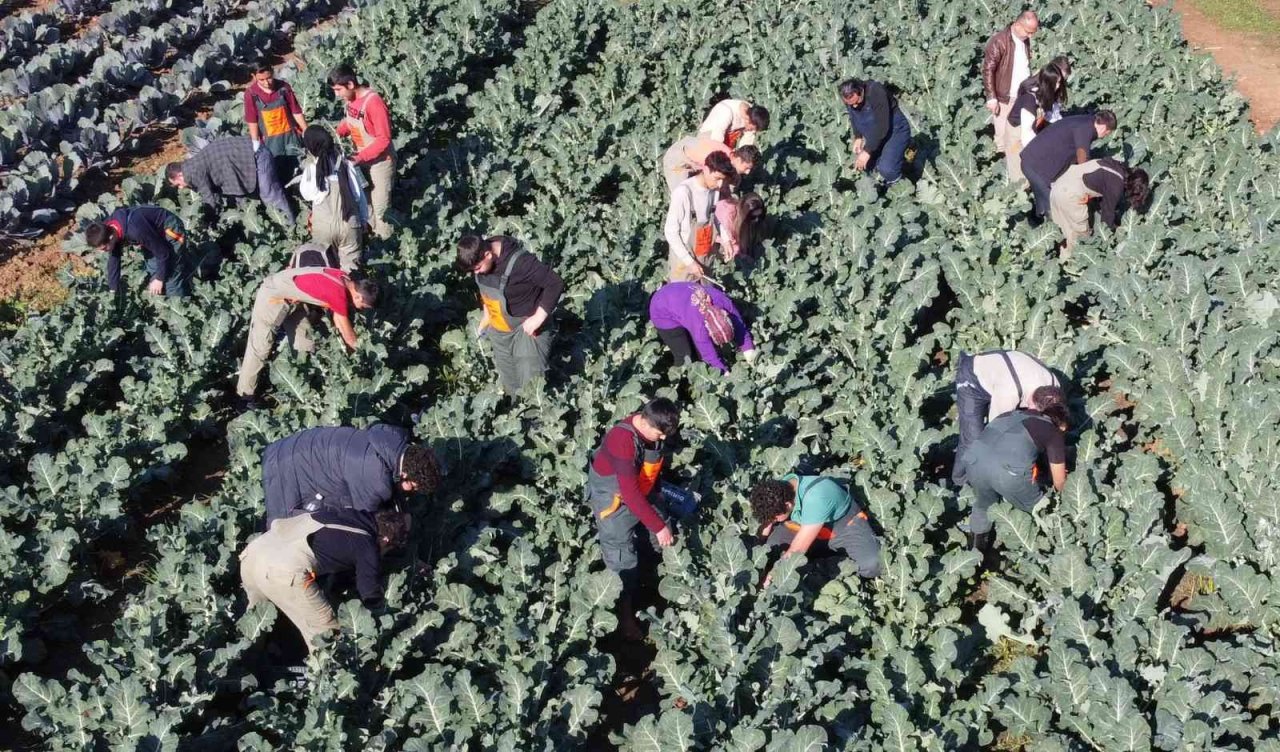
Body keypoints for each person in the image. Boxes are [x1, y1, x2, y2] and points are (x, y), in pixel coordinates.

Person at [239, 507, 410, 651]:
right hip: (283, 571)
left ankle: (246, 668)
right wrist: (385, 617)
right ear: (386, 539)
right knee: (327, 635)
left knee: (255, 626)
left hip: (253, 555)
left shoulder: (346, 514)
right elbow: (369, 593)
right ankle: (326, 682)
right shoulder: (367, 546)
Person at [585, 398, 680, 639]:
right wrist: (658, 526)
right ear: (646, 422)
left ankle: (660, 589)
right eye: (659, 434)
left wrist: (659, 513)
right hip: (614, 500)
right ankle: (625, 618)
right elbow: (629, 492)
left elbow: (650, 471)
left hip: (642, 489)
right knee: (622, 559)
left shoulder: (650, 431)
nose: (662, 439)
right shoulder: (622, 440)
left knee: (664, 537)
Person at [235, 259, 380, 402]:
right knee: (260, 347)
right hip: (273, 296)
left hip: (294, 301)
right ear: (359, 297)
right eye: (362, 307)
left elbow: (337, 320)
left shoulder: (344, 278)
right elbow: (346, 332)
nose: (359, 309)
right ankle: (245, 396)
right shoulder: (337, 292)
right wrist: (361, 358)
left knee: (305, 342)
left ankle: (298, 383)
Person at [959, 386, 1069, 559]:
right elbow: (1060, 481)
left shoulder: (1007, 415)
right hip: (1007, 474)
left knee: (982, 506)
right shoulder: (1050, 431)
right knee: (1040, 509)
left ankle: (974, 559)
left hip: (973, 463)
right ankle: (1059, 554)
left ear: (1031, 402)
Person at [262, 424, 440, 524]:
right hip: (283, 466)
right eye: (413, 487)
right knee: (282, 529)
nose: (409, 491)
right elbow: (363, 518)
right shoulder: (374, 477)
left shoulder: (392, 438)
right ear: (406, 474)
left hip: (301, 447)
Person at [456, 234, 564, 395]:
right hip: (499, 329)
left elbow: (555, 283)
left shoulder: (521, 263)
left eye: (477, 268)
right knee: (510, 383)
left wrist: (538, 318)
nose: (475, 273)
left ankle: (537, 419)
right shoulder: (481, 256)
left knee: (530, 386)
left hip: (527, 329)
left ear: (488, 254)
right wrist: (487, 315)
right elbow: (486, 290)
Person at [952, 350, 1060, 485]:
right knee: (973, 438)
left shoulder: (1054, 388)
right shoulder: (1009, 395)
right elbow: (994, 432)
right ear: (1030, 401)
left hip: (1005, 374)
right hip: (972, 379)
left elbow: (1056, 423)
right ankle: (961, 481)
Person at [751, 473, 882, 582]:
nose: (773, 521)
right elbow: (767, 522)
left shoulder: (817, 497)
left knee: (872, 564)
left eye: (775, 517)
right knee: (771, 548)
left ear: (788, 505)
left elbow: (796, 550)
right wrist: (759, 544)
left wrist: (772, 578)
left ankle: (826, 563)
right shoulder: (780, 489)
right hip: (805, 525)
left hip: (842, 527)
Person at [166, 135, 295, 224]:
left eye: (178, 184)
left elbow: (209, 200)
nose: (181, 187)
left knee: (269, 194)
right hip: (245, 157)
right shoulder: (191, 165)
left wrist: (208, 221)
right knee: (246, 200)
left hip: (257, 155)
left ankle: (290, 227)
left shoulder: (192, 172)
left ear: (179, 175)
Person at [330, 65, 395, 239]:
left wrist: (358, 158)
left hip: (380, 162)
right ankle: (373, 236)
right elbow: (351, 118)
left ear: (350, 84)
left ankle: (387, 244)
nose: (337, 95)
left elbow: (384, 139)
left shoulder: (373, 103)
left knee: (381, 209)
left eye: (338, 90)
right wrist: (338, 130)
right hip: (361, 159)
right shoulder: (351, 99)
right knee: (366, 203)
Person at [1020, 110, 1117, 223]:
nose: (1104, 136)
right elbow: (1083, 160)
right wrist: (1088, 188)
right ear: (1105, 128)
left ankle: (1037, 222)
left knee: (1043, 200)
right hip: (1036, 166)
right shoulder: (1086, 129)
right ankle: (1054, 231)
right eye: (1107, 133)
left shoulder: (1086, 120)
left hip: (1032, 160)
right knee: (1052, 204)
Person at [295, 126, 369, 271]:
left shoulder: (312, 169)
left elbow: (307, 194)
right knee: (351, 271)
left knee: (327, 270)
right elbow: (358, 195)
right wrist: (364, 220)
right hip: (350, 223)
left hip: (324, 227)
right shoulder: (346, 164)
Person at [83, 205, 192, 297]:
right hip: (150, 233)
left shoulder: (135, 230)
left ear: (111, 238)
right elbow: (114, 258)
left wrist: (159, 279)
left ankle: (180, 304)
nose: (103, 252)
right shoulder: (108, 227)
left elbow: (163, 253)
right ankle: (163, 297)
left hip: (168, 229)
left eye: (104, 248)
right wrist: (113, 289)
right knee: (154, 268)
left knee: (171, 273)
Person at [649, 281, 756, 373]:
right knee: (685, 356)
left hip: (679, 297)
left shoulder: (725, 303)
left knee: (700, 348)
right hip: (662, 309)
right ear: (707, 330)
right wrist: (724, 373)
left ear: (726, 316)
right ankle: (682, 386)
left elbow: (741, 328)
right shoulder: (700, 328)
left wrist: (749, 351)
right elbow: (709, 356)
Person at [1050, 158, 1151, 254]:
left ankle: (1061, 260)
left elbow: (1097, 182)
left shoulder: (1115, 165)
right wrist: (1114, 231)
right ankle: (1071, 264)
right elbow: (1106, 219)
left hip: (1057, 187)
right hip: (1069, 196)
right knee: (1080, 242)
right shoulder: (1116, 186)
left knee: (1063, 233)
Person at [664, 151, 737, 281]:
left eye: (723, 180)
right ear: (706, 169)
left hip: (705, 256)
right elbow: (670, 232)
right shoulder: (684, 193)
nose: (720, 185)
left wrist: (726, 239)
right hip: (684, 260)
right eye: (717, 179)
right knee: (682, 297)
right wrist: (690, 262)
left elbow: (713, 218)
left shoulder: (714, 190)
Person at [982, 11, 1039, 169]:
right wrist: (991, 97)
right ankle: (1004, 172)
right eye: (1029, 32)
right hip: (1004, 98)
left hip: (1022, 96)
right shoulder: (999, 41)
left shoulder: (1023, 39)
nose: (1031, 36)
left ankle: (1019, 167)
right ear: (1018, 25)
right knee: (1002, 137)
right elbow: (988, 69)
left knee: (1022, 134)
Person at [839, 78, 913, 186]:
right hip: (875, 134)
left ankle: (900, 187)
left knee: (887, 169)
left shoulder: (876, 92)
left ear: (860, 91)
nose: (854, 106)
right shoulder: (849, 98)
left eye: (856, 102)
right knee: (867, 166)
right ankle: (897, 162)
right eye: (850, 104)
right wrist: (858, 136)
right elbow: (853, 116)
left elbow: (882, 127)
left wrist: (867, 151)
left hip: (894, 130)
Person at [243, 59, 307, 181]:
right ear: (253, 76)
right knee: (276, 174)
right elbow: (252, 121)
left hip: (291, 137)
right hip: (270, 143)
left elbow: (296, 111)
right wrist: (255, 144)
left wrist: (306, 130)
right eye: (261, 80)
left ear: (272, 72)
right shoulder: (251, 94)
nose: (267, 82)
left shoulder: (283, 87)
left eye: (269, 77)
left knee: (298, 168)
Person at [660, 135, 760, 191]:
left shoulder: (731, 157)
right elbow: (707, 182)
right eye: (746, 168)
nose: (748, 172)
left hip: (696, 150)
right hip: (679, 158)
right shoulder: (714, 158)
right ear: (738, 160)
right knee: (683, 197)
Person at [697, 98, 770, 148]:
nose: (752, 131)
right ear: (748, 120)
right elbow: (716, 141)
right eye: (751, 129)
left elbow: (747, 142)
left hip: (727, 138)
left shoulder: (752, 116)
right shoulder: (726, 112)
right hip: (708, 136)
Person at [715, 192, 765, 261]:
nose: (756, 219)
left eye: (759, 216)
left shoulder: (753, 222)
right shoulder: (728, 214)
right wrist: (743, 257)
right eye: (753, 217)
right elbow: (732, 246)